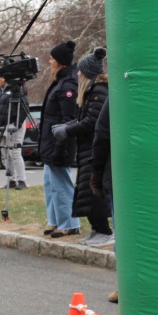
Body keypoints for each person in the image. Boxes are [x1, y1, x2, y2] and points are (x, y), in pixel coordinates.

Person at [55, 47, 111, 247]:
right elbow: (84, 118)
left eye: (80, 71)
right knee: (86, 193)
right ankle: (96, 228)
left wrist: (68, 130)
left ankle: (105, 230)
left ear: (88, 73)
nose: (77, 74)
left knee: (94, 193)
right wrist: (67, 126)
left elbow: (93, 122)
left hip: (93, 150)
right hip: (86, 150)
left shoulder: (98, 91)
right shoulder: (90, 92)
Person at [38, 40, 80, 238]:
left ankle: (69, 223)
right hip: (50, 143)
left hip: (59, 144)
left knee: (61, 184)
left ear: (61, 62)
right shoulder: (60, 83)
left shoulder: (68, 86)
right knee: (50, 183)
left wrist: (59, 148)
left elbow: (68, 120)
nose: (49, 61)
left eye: (52, 59)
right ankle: (54, 220)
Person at [90, 95, 118, 302]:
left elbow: (102, 134)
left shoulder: (118, 94)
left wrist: (97, 172)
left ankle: (125, 286)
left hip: (121, 177)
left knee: (124, 235)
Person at [0, 77, 28, 189]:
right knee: (5, 154)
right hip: (1, 126)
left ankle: (21, 180)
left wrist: (17, 124)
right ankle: (11, 180)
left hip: (13, 125)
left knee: (15, 153)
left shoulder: (16, 89)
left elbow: (24, 108)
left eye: (1, 77)